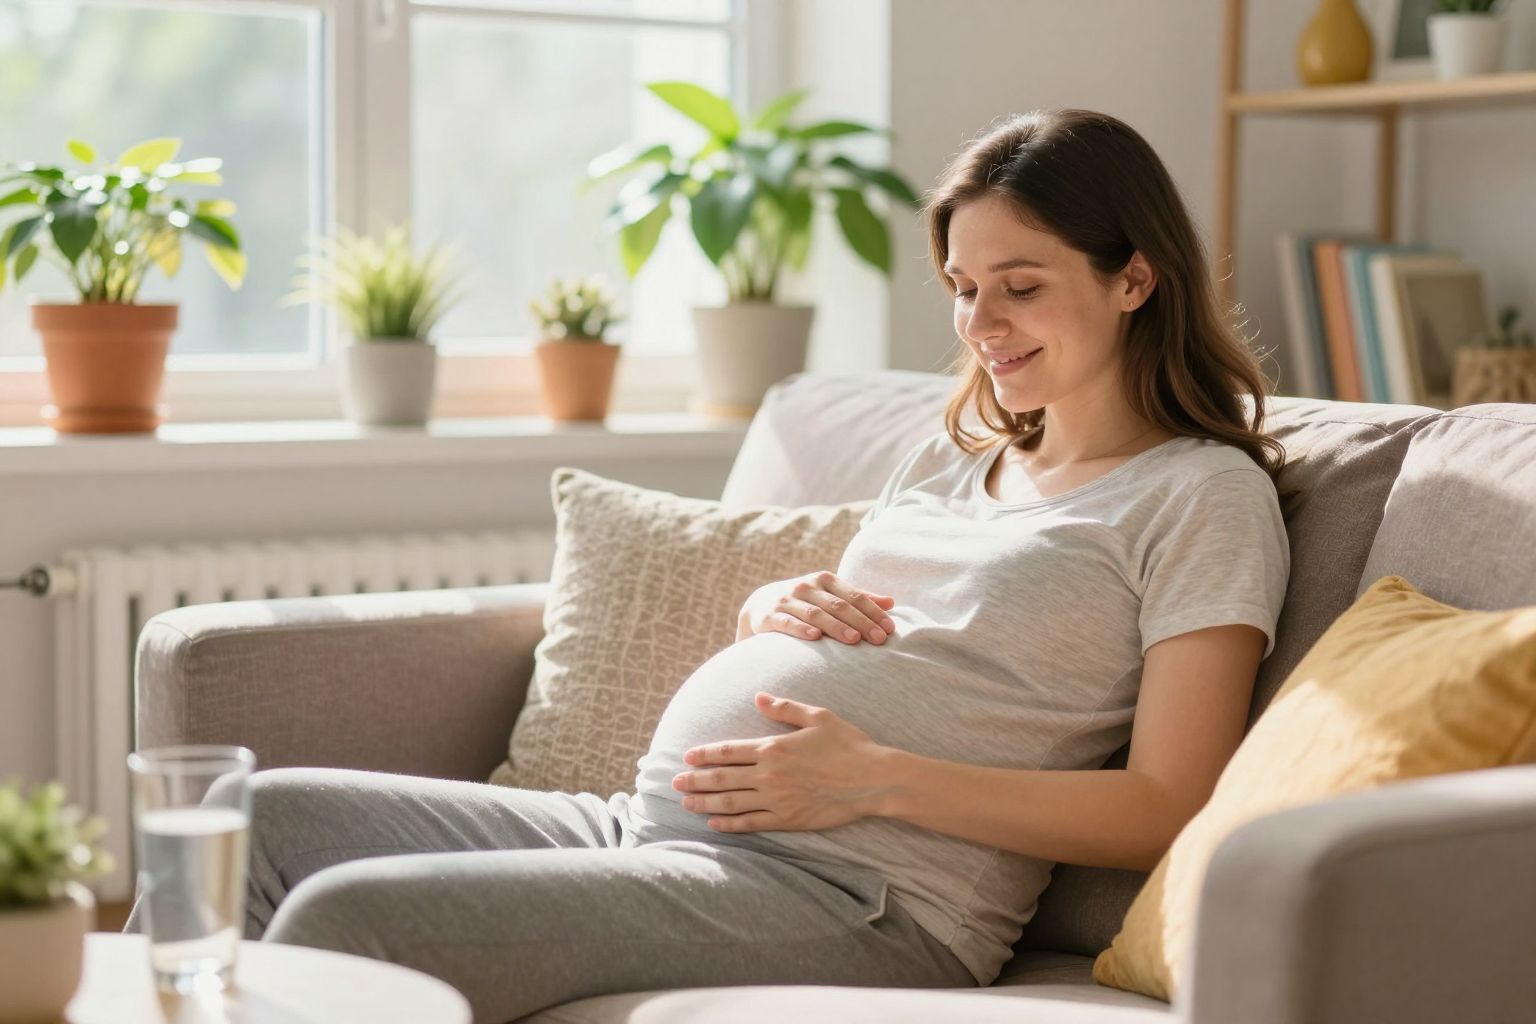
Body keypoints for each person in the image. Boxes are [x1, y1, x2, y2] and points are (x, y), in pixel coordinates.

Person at [125, 108, 1290, 1024]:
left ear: (1134, 277)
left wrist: (874, 779)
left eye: (1021, 285)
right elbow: (883, 631)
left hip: (862, 899)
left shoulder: (1201, 495)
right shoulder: (954, 458)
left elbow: (1168, 804)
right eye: (964, 288)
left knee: (352, 917)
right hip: (649, 830)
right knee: (250, 820)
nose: (982, 323)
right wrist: (767, 603)